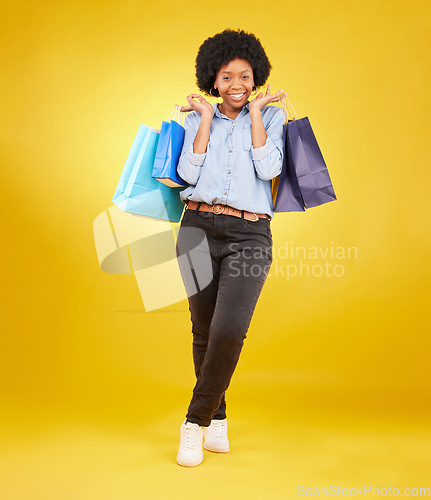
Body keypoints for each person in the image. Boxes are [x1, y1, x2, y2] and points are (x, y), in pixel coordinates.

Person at [174, 28, 284, 467]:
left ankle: (194, 422)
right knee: (203, 330)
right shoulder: (194, 117)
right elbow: (187, 171)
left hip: (249, 234)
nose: (237, 84)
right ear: (212, 80)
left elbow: (269, 167)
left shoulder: (272, 118)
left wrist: (257, 114)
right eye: (226, 76)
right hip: (196, 227)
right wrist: (204, 120)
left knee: (228, 330)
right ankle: (217, 417)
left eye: (245, 75)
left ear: (256, 77)